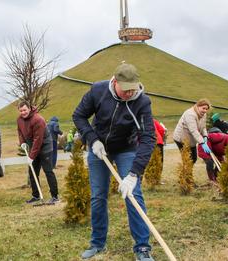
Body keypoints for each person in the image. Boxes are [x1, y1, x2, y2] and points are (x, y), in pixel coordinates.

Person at [73, 63, 156, 260]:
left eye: (133, 89)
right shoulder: (98, 90)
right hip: (99, 148)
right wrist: (92, 139)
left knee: (133, 194)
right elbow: (79, 116)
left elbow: (148, 137)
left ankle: (142, 247)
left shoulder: (142, 102)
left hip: (127, 148)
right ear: (114, 81)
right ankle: (97, 242)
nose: (129, 94)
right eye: (125, 90)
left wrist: (134, 173)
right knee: (98, 195)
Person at [17, 101, 59, 204]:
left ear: (29, 109)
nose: (23, 112)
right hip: (33, 147)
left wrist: (31, 156)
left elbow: (38, 139)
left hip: (45, 146)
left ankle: (55, 196)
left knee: (48, 171)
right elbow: (20, 132)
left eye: (25, 110)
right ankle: (36, 195)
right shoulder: (19, 120)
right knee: (32, 172)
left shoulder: (38, 119)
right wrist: (22, 143)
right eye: (21, 110)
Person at [173, 99, 212, 164]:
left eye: (206, 109)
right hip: (181, 139)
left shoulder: (203, 115)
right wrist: (202, 143)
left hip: (191, 139)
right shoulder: (190, 114)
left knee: (193, 158)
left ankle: (188, 172)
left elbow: (203, 127)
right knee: (187, 159)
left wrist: (205, 136)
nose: (205, 110)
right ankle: (186, 173)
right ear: (198, 106)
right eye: (203, 108)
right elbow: (193, 130)